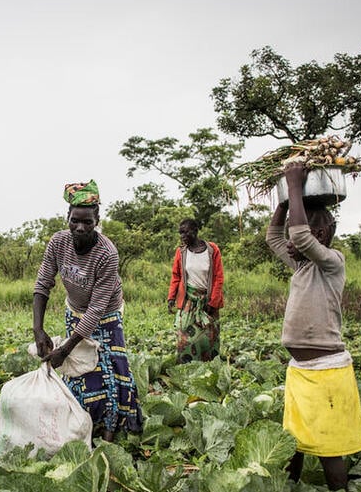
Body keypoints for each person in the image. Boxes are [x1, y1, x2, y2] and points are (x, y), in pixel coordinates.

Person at [265, 164, 361, 490]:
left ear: (320, 235)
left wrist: (294, 184)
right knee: (294, 440)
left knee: (327, 449)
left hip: (326, 372)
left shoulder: (332, 262)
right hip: (300, 371)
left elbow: (298, 236)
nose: (299, 233)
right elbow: (274, 237)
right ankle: (288, 485)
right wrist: (282, 200)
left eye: (306, 226)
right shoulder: (301, 264)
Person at [32, 180, 143, 442]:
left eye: (87, 223)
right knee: (82, 371)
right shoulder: (58, 243)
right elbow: (42, 284)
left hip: (106, 315)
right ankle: (84, 424)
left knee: (114, 372)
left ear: (97, 220)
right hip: (75, 311)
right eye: (74, 221)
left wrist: (66, 347)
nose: (80, 228)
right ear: (67, 218)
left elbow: (96, 310)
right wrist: (38, 329)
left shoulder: (107, 253)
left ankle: (112, 432)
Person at [166, 218, 225, 363]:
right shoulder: (181, 252)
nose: (183, 236)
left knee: (209, 336)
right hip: (188, 299)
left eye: (186, 232)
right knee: (184, 334)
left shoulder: (212, 250)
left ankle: (208, 367)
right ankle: (185, 366)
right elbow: (176, 276)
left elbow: (218, 277)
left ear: (196, 231)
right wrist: (171, 297)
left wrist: (213, 302)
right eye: (181, 233)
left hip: (208, 299)